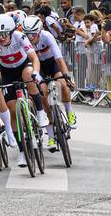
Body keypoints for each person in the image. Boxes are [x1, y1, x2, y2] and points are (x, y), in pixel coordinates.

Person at [0, 13, 48, 168]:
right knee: (13, 110)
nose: (1, 38)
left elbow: (34, 59)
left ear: (11, 32)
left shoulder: (20, 36)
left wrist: (36, 73)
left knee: (28, 74)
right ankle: (22, 152)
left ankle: (40, 112)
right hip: (7, 73)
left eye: (4, 34)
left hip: (24, 65)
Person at [22, 15, 75, 149]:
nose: (31, 37)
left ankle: (70, 113)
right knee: (43, 95)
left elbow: (58, 57)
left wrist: (66, 76)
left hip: (52, 63)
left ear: (39, 31)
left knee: (63, 84)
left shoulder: (47, 36)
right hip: (38, 67)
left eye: (33, 33)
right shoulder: (25, 41)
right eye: (28, 34)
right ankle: (51, 136)